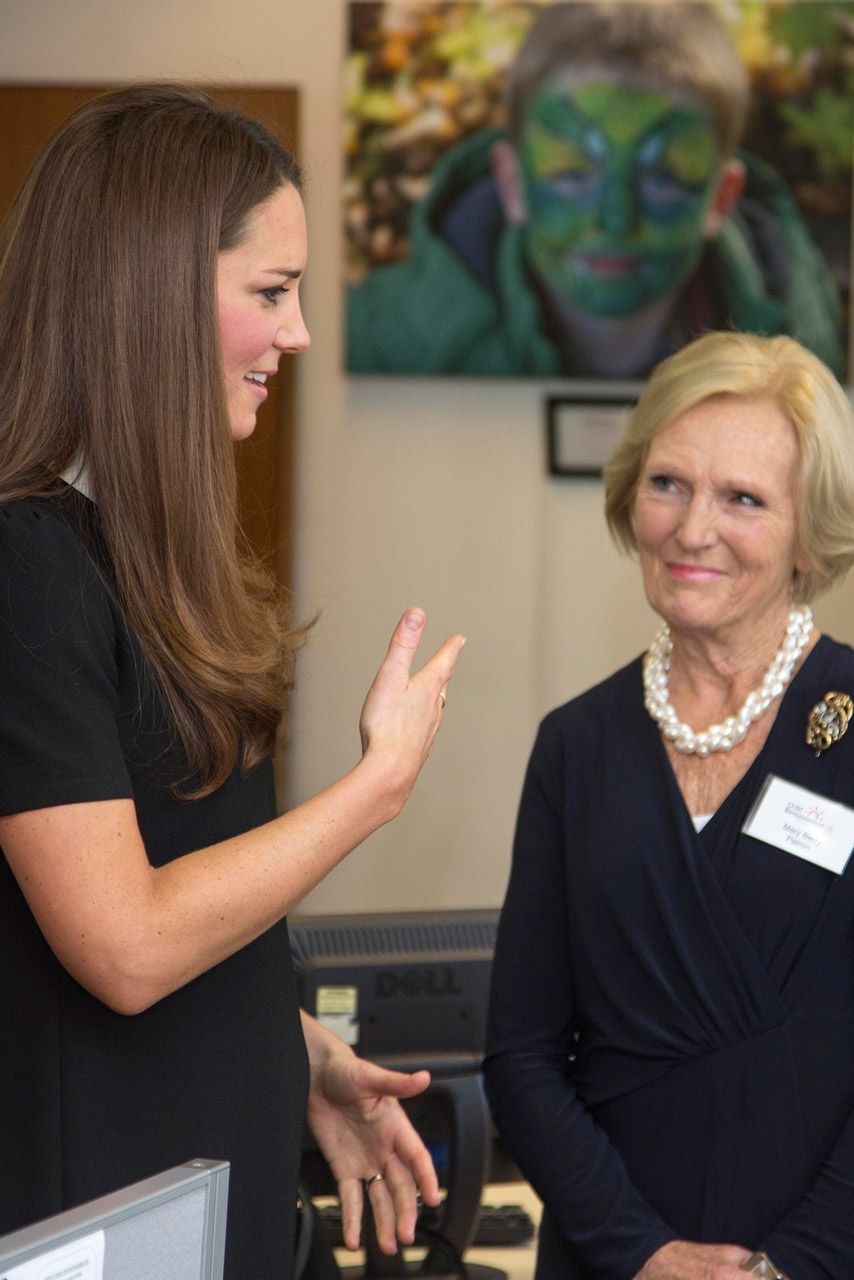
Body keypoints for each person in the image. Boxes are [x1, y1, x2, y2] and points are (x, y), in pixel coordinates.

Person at [0, 84, 465, 1279]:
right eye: (270, 293)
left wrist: (296, 1045)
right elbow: (123, 944)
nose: (298, 334)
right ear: (149, 295)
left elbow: (182, 888)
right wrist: (376, 787)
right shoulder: (26, 561)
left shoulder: (130, 551)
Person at [484, 330, 854, 1279]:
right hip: (609, 1258)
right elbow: (522, 1057)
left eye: (743, 499)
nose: (693, 530)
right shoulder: (577, 745)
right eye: (668, 484)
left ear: (809, 532)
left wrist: (789, 1268)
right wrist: (642, 1254)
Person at [346, 1, 845, 380]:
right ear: (513, 183)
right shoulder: (380, 340)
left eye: (663, 178)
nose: (616, 217)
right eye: (573, 173)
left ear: (722, 197)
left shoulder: (806, 355)